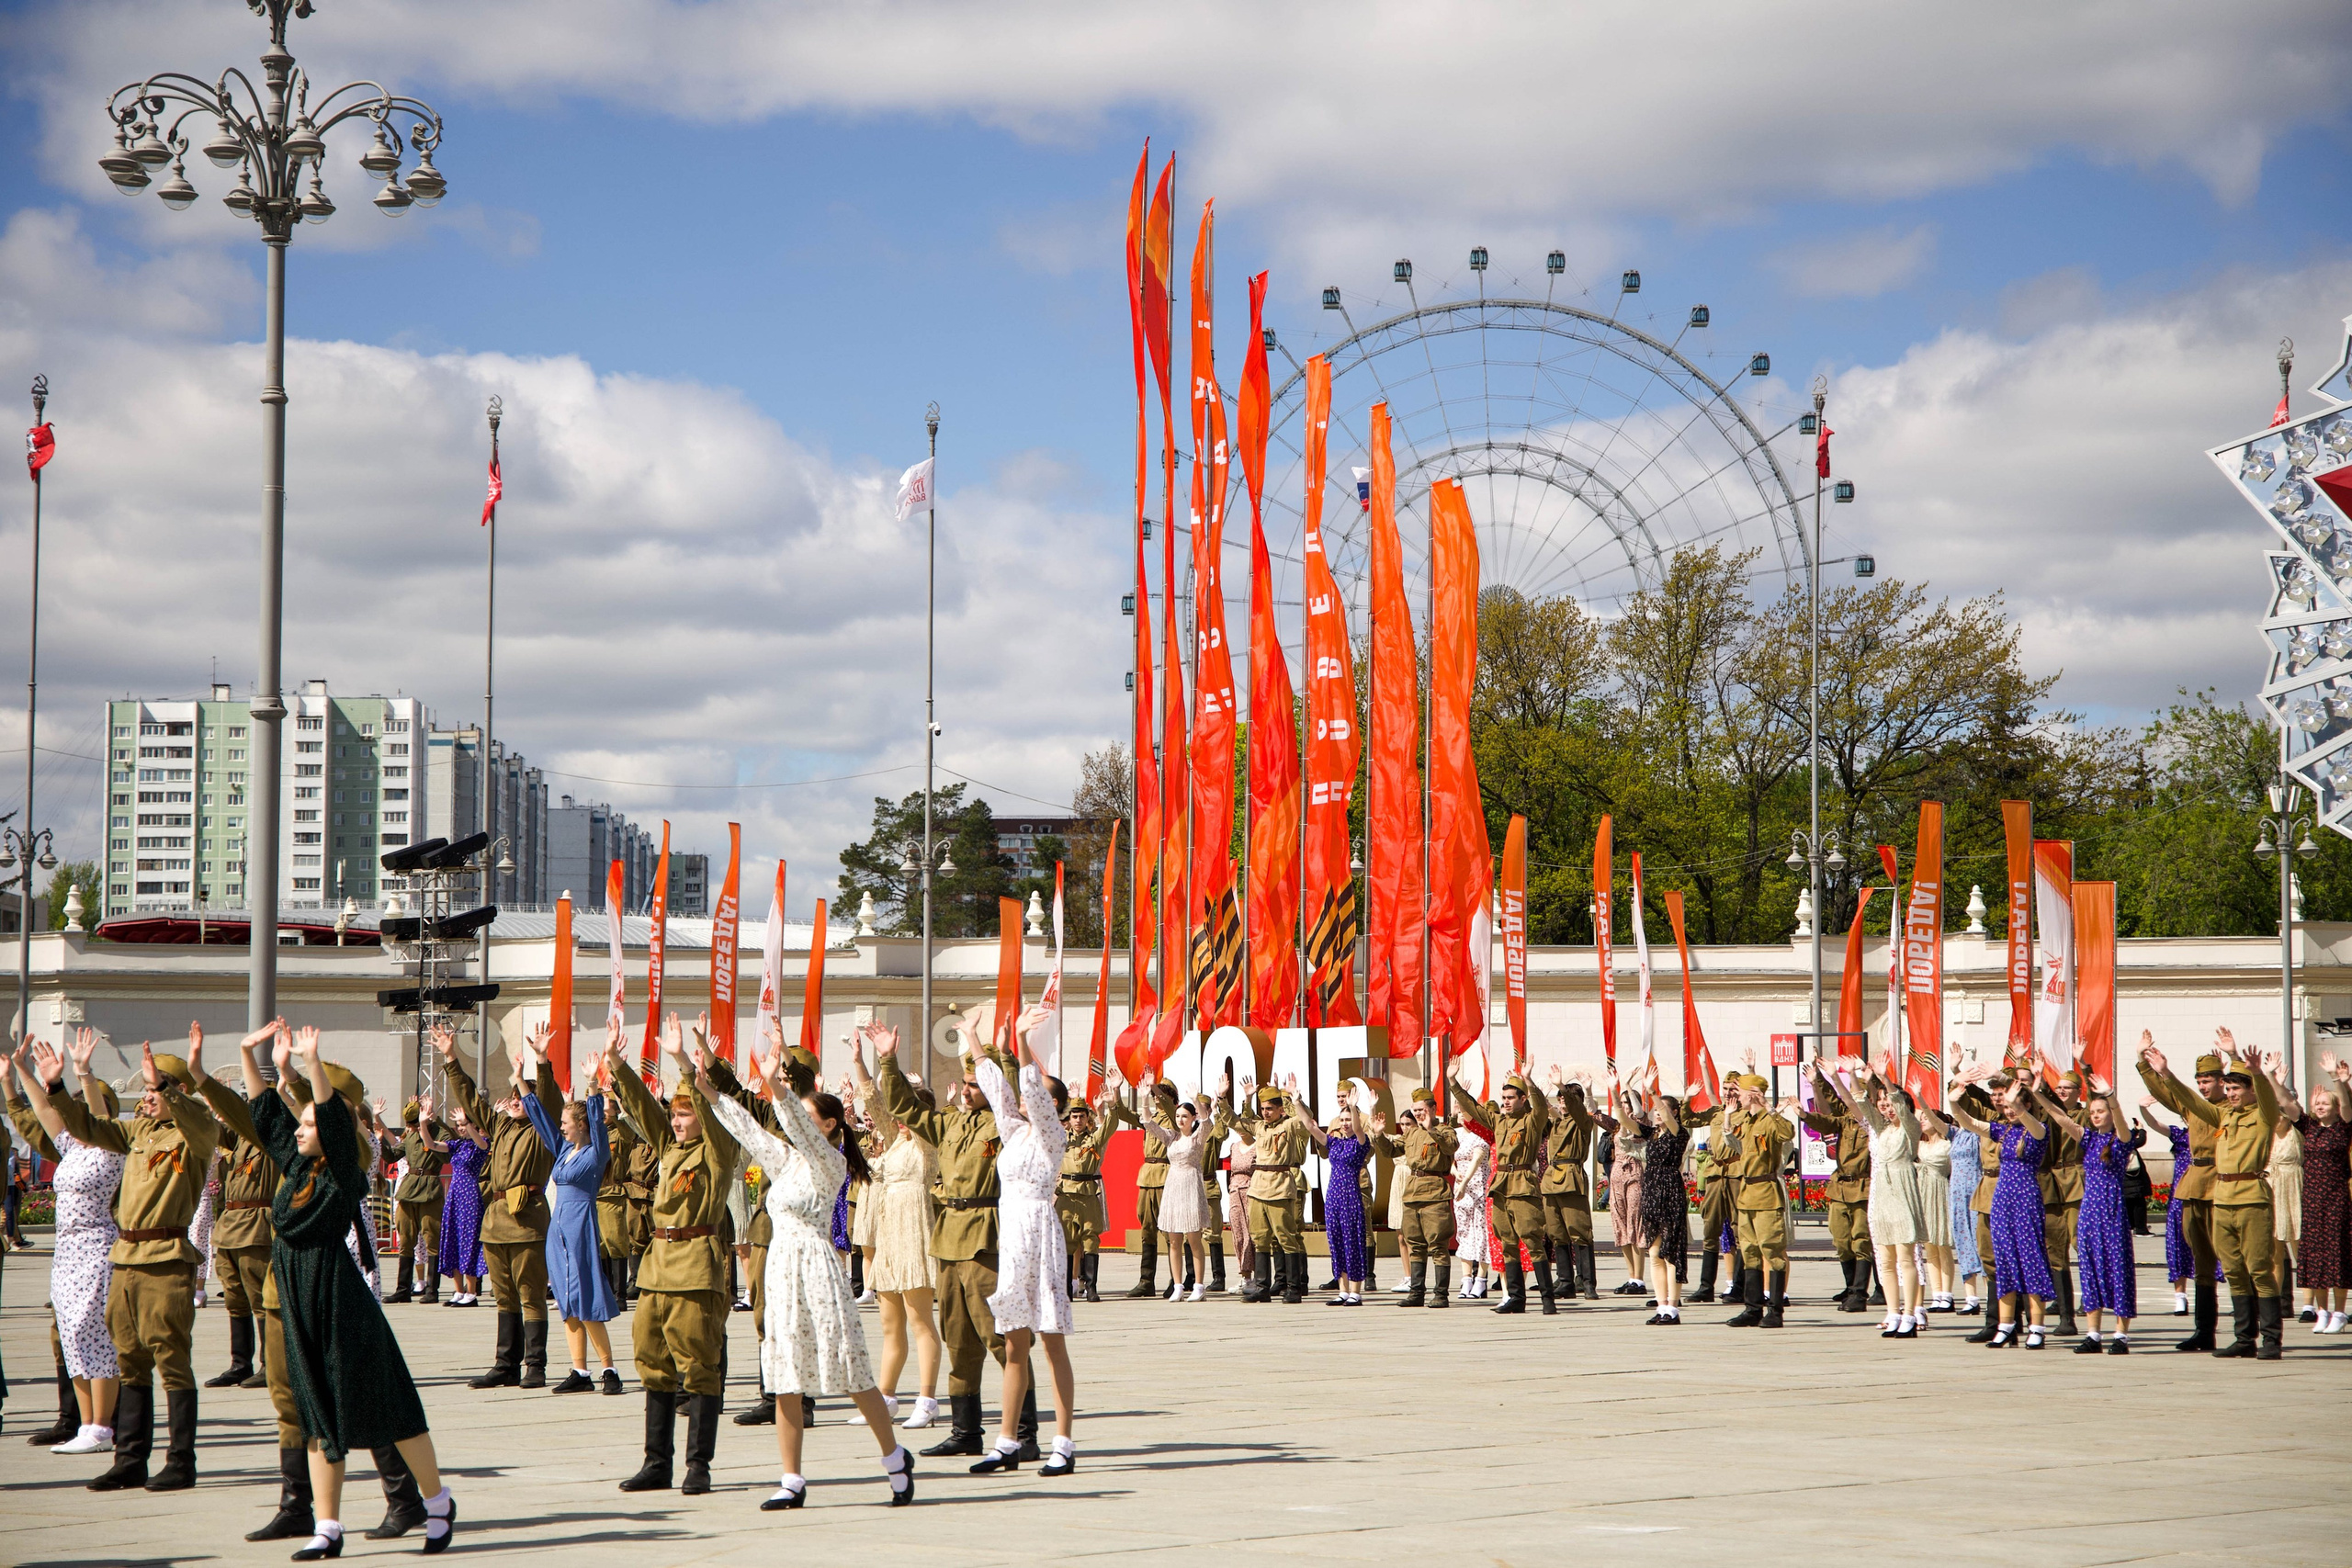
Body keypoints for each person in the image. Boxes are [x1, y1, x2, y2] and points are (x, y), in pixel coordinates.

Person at [239, 1023, 457, 1559]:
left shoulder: (345, 1169)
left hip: (340, 1303)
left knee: (391, 1408)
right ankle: (328, 1527)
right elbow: (264, 1113)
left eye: (308, 1121)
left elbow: (335, 1124)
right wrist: (253, 1054)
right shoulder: (295, 1167)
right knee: (317, 1413)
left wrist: (312, 1067)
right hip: (300, 1301)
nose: (299, 1128)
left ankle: (437, 1501)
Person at [695, 1039, 913, 1509]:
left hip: (816, 1267)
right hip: (782, 1269)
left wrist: (777, 1085)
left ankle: (894, 1457)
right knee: (785, 1375)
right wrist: (708, 1087)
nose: (797, 1121)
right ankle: (791, 1479)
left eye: (808, 1115)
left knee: (853, 1372)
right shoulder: (787, 1160)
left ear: (829, 1125)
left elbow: (796, 1124)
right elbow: (750, 1131)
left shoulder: (827, 1160)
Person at [51, 1028, 220, 1493]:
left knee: (171, 1359)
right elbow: (92, 1130)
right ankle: (130, 1460)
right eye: (146, 1091)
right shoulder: (141, 1131)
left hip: (166, 1258)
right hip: (125, 1256)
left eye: (153, 1091)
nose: (146, 1099)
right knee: (130, 1360)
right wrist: (59, 1087)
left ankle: (180, 1462)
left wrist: (167, 1089)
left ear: (176, 1091)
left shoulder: (194, 1135)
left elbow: (207, 1126)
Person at [869, 1018, 1038, 1461]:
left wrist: (1000, 1054)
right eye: (963, 1085)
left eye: (973, 1085)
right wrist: (887, 1060)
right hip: (948, 1237)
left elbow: (1014, 1094)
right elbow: (905, 1108)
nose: (964, 1091)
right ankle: (966, 1430)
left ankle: (1025, 1431)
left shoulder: (1006, 1124)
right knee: (958, 1339)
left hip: (987, 1237)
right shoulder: (950, 1125)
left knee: (1001, 1338)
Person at [605, 1014, 741, 1494]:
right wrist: (618, 1067)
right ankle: (656, 1463)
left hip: (696, 1267)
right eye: (676, 1114)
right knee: (652, 1362)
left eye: (685, 1114)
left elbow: (711, 1116)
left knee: (699, 1366)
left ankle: (698, 1466)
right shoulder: (668, 1148)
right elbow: (645, 1112)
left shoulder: (717, 1151)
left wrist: (685, 1065)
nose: (678, 1121)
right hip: (657, 1269)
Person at [964, 1004, 1078, 1479]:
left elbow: (1029, 1087)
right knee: (1013, 1345)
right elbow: (998, 1091)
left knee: (1050, 1342)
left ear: (1056, 1108)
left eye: (1043, 1100)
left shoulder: (1052, 1138)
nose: (1030, 1102)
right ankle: (1007, 1441)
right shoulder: (1014, 1134)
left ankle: (1064, 1443)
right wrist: (973, 1039)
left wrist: (1024, 1041)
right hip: (1012, 1235)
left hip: (1039, 1233)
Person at [7, 1040, 122, 1456]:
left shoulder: (111, 1149)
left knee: (97, 1335)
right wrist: (20, 1071)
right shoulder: (72, 1147)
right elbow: (44, 1111)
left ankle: (103, 1427)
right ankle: (86, 1424)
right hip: (67, 1251)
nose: (75, 1117)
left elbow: (97, 1114)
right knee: (72, 1335)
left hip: (98, 1245)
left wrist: (83, 1072)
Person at [2143, 1030, 2282, 1359]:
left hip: (2251, 1195)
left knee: (2259, 1269)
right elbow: (2188, 1101)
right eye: (2229, 1089)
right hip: (2222, 1196)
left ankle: (2272, 1341)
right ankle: (2244, 1339)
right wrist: (2166, 1074)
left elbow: (2265, 1099)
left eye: (2236, 1088)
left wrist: (2257, 1073)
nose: (2231, 1094)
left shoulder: (2263, 1116)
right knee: (2233, 1270)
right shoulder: (2223, 1114)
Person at [437, 1025, 560, 1389]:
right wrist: (450, 1058)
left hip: (527, 1220)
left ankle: (534, 1365)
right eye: (515, 1097)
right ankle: (506, 1363)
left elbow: (549, 1101)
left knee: (531, 1294)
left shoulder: (542, 1130)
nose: (517, 1102)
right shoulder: (502, 1126)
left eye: (524, 1098)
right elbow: (471, 1100)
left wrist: (541, 1061)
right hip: (496, 1221)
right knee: (504, 1296)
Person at [846, 1029, 943, 1427]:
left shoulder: (927, 1141)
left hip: (915, 1230)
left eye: (906, 1114)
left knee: (921, 1320)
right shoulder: (894, 1139)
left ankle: (927, 1400)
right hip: (888, 1233)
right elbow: (876, 1104)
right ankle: (885, 1398)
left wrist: (893, 1066)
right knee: (890, 1325)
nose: (898, 1120)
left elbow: (899, 1107)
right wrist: (859, 1062)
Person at [519, 1025, 623, 1394]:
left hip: (581, 1227)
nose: (561, 1129)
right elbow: (542, 1121)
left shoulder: (597, 1152)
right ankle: (580, 1371)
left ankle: (609, 1369)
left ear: (581, 1125)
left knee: (587, 1298)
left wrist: (592, 1086)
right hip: (558, 1231)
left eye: (567, 1124)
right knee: (566, 1301)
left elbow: (598, 1122)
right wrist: (522, 1081)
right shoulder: (564, 1150)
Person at [1817, 1056, 1925, 1337]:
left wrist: (1884, 1079)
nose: (1886, 1108)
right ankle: (1892, 1312)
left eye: (1889, 1103)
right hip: (1881, 1196)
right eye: (1883, 1104)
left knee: (1905, 1258)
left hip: (1902, 1193)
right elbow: (1857, 1104)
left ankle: (1910, 1314)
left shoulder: (1910, 1128)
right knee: (1885, 1260)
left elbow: (1900, 1105)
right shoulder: (1880, 1129)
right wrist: (1848, 1076)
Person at [2037, 1069, 2141, 1353]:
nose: (2095, 1115)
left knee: (2118, 1271)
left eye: (2100, 1111)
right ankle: (2093, 1333)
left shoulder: (2120, 1140)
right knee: (2090, 1271)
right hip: (2089, 1213)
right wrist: (2036, 1093)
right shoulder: (2090, 1139)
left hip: (2112, 1212)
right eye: (2093, 1111)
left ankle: (2120, 1335)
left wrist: (2110, 1097)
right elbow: (2060, 1117)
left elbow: (2121, 1125)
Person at [1947, 1072, 2054, 1348]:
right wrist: (1954, 1105)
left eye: (2012, 1107)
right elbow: (1970, 1124)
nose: (2007, 1112)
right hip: (2002, 1197)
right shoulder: (2004, 1130)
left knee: (2031, 1260)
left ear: (2026, 1105)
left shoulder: (2038, 1130)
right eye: (2005, 1108)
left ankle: (2037, 1327)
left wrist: (2017, 1104)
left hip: (2026, 1198)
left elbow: (2034, 1125)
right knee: (2004, 1260)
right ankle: (2006, 1326)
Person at [2137, 1032, 2228, 1350]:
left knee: (2233, 1260)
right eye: (2200, 1081)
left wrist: (2166, 1072)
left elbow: (2180, 1094)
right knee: (2201, 1260)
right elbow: (2166, 1096)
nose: (2203, 1086)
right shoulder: (2195, 1107)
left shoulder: (2230, 1108)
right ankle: (2204, 1332)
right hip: (2194, 1184)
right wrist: (2146, 1065)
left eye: (2208, 1080)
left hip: (2221, 1183)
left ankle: (2250, 1333)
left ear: (2222, 1079)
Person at [1452, 1066, 1553, 1314]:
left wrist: (1529, 1080)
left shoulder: (1531, 1120)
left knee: (1531, 1241)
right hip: (1501, 1186)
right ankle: (1516, 1298)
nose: (1506, 1102)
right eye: (1504, 1098)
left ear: (1522, 1099)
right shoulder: (1498, 1121)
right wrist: (1453, 1083)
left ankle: (1548, 1300)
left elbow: (1539, 1106)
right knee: (1507, 1242)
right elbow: (1474, 1108)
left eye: (1511, 1098)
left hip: (1523, 1183)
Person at [1225, 1076, 1316, 1305]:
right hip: (1257, 1187)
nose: (1265, 1113)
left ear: (1279, 1110)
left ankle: (1294, 1287)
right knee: (1260, 1239)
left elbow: (1307, 1121)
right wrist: (1228, 1097)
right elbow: (1233, 1120)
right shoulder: (1259, 1126)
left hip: (1279, 1185)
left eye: (1270, 1109)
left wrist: (1297, 1100)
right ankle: (1262, 1287)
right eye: (1263, 1108)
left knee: (1286, 1238)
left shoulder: (1289, 1125)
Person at [1718, 1073, 1795, 1329]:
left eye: (1740, 1091)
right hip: (1747, 1193)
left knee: (1771, 1251)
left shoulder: (1768, 1120)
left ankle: (1775, 1310)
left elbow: (1787, 1132)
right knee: (1749, 1251)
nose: (1736, 1095)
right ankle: (1752, 1309)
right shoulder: (1749, 1121)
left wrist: (1770, 1108)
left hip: (1766, 1193)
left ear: (1753, 1093)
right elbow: (1735, 1146)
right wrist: (1728, 1117)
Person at [1371, 1090, 1458, 1307]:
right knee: (1415, 1244)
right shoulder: (1411, 1133)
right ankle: (1417, 1292)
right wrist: (1380, 1135)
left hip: (1434, 1191)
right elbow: (1391, 1151)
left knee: (1438, 1245)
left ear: (1432, 1109)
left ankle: (1441, 1294)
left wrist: (1431, 1129)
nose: (1418, 1114)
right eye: (1415, 1110)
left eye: (1421, 1110)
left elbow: (1451, 1146)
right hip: (1412, 1192)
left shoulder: (1444, 1130)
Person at [1799, 1066, 1874, 1313]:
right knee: (1841, 1240)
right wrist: (1806, 1112)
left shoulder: (1872, 1123)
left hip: (1863, 1186)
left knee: (1861, 1240)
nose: (1851, 1099)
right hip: (1840, 1186)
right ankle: (1850, 1287)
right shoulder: (1845, 1120)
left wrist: (1861, 1079)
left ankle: (1859, 1293)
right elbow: (1828, 1115)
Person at [2291, 1054, 2351, 1333]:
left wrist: (2336, 1079)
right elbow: (2287, 1106)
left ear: (2336, 1107)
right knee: (2315, 1256)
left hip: (2337, 1198)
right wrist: (2274, 1080)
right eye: (2318, 1103)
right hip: (2312, 1200)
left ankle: (2340, 1312)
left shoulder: (2343, 1129)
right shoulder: (2309, 1128)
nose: (2321, 1106)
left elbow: (2348, 1109)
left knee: (2337, 1254)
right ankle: (2322, 1311)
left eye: (2326, 1103)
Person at [1051, 1084, 1120, 1303]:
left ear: (1086, 1117)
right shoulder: (1061, 1138)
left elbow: (1111, 1124)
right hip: (1066, 1195)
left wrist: (1112, 1103)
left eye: (1081, 1116)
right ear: (1069, 1119)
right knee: (1067, 1243)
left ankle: (1091, 1287)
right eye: (1074, 1116)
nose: (1078, 1120)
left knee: (1091, 1241)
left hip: (1089, 1194)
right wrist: (1066, 1101)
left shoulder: (1094, 1140)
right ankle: (1066, 1289)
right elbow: (1045, 1125)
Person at [1142, 1088, 1212, 1302]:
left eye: (1185, 1116)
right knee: (1174, 1240)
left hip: (1191, 1185)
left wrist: (1194, 1099)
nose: (1181, 1120)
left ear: (1193, 1118)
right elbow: (1149, 1124)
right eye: (1178, 1116)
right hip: (1173, 1186)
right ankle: (1178, 1285)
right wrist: (1144, 1097)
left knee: (1193, 1239)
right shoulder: (1171, 1137)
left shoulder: (1197, 1138)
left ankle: (1199, 1286)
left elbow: (1208, 1122)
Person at [1303, 1095, 1372, 1304]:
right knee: (1336, 1242)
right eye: (1342, 1120)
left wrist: (1351, 1107)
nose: (1345, 1124)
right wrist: (1296, 1100)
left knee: (1354, 1242)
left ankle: (1355, 1291)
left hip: (1351, 1196)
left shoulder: (1360, 1143)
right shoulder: (1334, 1143)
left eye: (1349, 1119)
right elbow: (1310, 1126)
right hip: (1333, 1197)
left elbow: (1359, 1130)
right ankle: (1342, 1289)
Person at [1538, 1066, 1599, 1303]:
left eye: (1565, 1100)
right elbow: (1542, 1114)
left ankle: (1587, 1282)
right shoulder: (1557, 1123)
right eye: (1560, 1099)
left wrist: (1563, 1087)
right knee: (1557, 1233)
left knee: (1580, 1232)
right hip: (1552, 1180)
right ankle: (1565, 1281)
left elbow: (1579, 1109)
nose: (1562, 1103)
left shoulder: (1581, 1121)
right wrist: (1531, 1086)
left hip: (1571, 1177)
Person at [1632, 1088, 1690, 1325]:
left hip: (1670, 1191)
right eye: (1655, 1109)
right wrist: (1619, 1092)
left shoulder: (1679, 1133)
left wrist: (1652, 1091)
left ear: (1674, 1112)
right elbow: (1626, 1120)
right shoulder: (1653, 1134)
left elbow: (1667, 1118)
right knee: (1654, 1253)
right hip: (1652, 1192)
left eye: (1661, 1109)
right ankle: (1661, 1305)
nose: (1656, 1113)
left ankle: (1673, 1308)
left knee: (1671, 1252)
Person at [388, 1091, 448, 1305]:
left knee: (432, 1242)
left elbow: (448, 1152)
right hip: (408, 1191)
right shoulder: (411, 1135)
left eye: (414, 1124)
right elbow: (393, 1155)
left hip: (429, 1190)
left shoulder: (440, 1132)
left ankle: (432, 1290)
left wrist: (428, 1123)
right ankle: (403, 1289)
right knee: (405, 1241)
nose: (411, 1128)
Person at [1124, 1081, 1180, 1299]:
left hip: (1165, 1174)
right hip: (1147, 1174)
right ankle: (1146, 1281)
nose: (1157, 1098)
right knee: (1147, 1229)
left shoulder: (1175, 1116)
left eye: (1163, 1095)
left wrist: (1156, 1089)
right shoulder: (1151, 1117)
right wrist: (1116, 1095)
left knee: (1170, 1232)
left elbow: (1168, 1106)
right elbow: (1126, 1115)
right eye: (1157, 1095)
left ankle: (1175, 1280)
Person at [435, 1106, 488, 1306]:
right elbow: (431, 1144)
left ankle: (471, 1292)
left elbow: (482, 1144)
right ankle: (458, 1291)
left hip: (469, 1198)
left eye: (464, 1124)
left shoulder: (479, 1145)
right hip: (454, 1197)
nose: (460, 1128)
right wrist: (423, 1123)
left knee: (468, 1241)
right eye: (457, 1125)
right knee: (453, 1240)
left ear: (474, 1125)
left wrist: (468, 1123)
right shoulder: (457, 1145)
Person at [1603, 1082, 1649, 1298]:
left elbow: (1636, 1112)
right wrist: (1608, 1090)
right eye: (1622, 1103)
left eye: (1627, 1102)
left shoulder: (1641, 1122)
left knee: (1635, 1223)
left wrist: (1629, 1088)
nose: (1624, 1106)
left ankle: (1639, 1279)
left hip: (1634, 1175)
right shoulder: (1617, 1126)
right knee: (1620, 1223)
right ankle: (1631, 1276)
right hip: (1617, 1177)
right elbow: (1596, 1114)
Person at [1915, 1095, 1958, 1313]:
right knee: (1929, 1247)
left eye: (1927, 1117)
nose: (1922, 1120)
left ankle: (1948, 1295)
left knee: (1942, 1245)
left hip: (1940, 1193)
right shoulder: (1919, 1145)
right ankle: (1937, 1294)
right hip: (1922, 1194)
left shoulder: (1947, 1144)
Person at [1943, 1105, 1984, 1314]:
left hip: (1976, 1189)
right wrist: (1921, 1100)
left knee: (1981, 1242)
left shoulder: (1980, 1134)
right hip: (1957, 1194)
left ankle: (1993, 1296)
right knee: (1963, 1240)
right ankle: (1971, 1297)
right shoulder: (1955, 1134)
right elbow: (1934, 1121)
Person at [1449, 1122, 1491, 1300]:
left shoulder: (1481, 1135)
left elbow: (1477, 1159)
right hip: (1461, 1190)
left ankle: (1481, 1280)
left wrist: (1465, 1181)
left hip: (1479, 1188)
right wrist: (1454, 1172)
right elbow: (1450, 1159)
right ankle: (1466, 1279)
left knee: (1482, 1234)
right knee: (1464, 1232)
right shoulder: (1456, 1134)